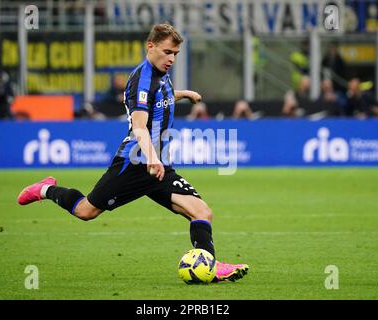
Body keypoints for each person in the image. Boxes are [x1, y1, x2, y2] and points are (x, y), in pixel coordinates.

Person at [17, 23, 249, 283]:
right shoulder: (142, 79)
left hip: (156, 165)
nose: (171, 58)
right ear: (150, 47)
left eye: (175, 54)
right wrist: (151, 158)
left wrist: (182, 94)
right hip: (136, 163)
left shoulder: (160, 73)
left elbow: (160, 95)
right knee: (86, 211)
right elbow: (139, 126)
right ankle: (46, 189)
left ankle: (210, 266)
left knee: (201, 212)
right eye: (167, 52)